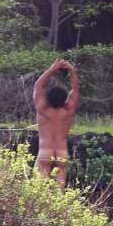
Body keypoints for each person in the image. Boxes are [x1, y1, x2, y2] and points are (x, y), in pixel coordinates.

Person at [32, 58, 80, 189]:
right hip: (62, 154)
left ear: (47, 97)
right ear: (65, 98)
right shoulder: (67, 110)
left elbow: (38, 86)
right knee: (59, 196)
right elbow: (75, 89)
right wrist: (72, 70)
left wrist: (51, 69)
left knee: (37, 193)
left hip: (45, 153)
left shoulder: (43, 109)